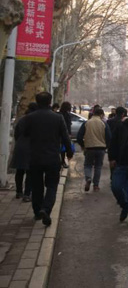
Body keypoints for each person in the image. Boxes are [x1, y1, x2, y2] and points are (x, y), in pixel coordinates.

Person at [23, 92, 73, 226]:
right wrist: (69, 152)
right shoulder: (58, 117)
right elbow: (65, 136)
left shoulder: (30, 117)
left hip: (35, 158)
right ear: (50, 102)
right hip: (52, 158)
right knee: (52, 186)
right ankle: (46, 209)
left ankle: (37, 211)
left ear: (37, 101)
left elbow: (23, 133)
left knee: (37, 186)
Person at [77, 108, 111, 192]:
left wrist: (83, 145)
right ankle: (96, 185)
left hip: (89, 148)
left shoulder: (87, 123)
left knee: (88, 165)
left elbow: (79, 136)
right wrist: (106, 147)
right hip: (101, 148)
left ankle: (88, 178)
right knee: (98, 167)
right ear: (102, 115)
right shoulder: (104, 123)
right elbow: (109, 137)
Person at [12, 102, 38, 202]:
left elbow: (16, 134)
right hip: (31, 147)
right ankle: (27, 194)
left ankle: (19, 192)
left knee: (19, 171)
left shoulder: (22, 119)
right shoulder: (35, 120)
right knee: (30, 172)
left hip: (20, 147)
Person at [59, 102, 72, 168]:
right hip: (65, 133)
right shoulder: (67, 115)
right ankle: (63, 161)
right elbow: (68, 125)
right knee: (64, 147)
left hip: (58, 133)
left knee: (61, 147)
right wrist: (69, 134)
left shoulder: (59, 114)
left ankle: (61, 160)